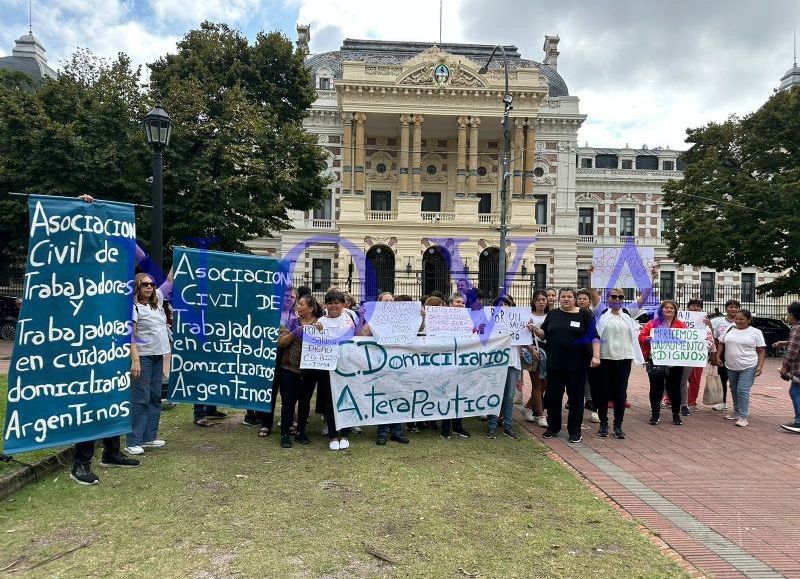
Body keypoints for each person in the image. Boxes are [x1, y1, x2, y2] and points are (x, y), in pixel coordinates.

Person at [531, 288, 599, 443]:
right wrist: (535, 329)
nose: (566, 299)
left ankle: (574, 431)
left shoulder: (584, 315)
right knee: (553, 397)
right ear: (559, 299)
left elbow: (594, 337)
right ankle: (553, 428)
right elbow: (544, 334)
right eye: (563, 297)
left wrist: (596, 356)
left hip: (576, 365)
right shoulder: (553, 314)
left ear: (574, 299)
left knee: (575, 399)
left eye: (569, 296)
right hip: (555, 364)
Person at [126, 271, 173, 455]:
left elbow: (170, 280)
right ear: (138, 286)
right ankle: (133, 440)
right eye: (145, 284)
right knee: (140, 398)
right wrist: (135, 360)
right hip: (143, 358)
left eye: (152, 284)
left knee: (154, 397)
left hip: (157, 356)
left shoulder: (157, 303)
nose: (149, 287)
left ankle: (149, 437)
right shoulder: (134, 307)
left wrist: (179, 256)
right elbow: (130, 336)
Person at [592, 288, 645, 439]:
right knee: (603, 393)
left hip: (623, 359)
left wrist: (652, 279)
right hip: (605, 358)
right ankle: (603, 423)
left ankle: (618, 425)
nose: (617, 299)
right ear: (608, 298)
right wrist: (591, 276)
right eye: (613, 296)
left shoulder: (627, 313)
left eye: (620, 297)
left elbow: (644, 297)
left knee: (620, 395)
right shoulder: (601, 311)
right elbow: (593, 293)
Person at [361, 292, 411, 445]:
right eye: (386, 301)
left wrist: (420, 316)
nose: (389, 303)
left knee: (398, 396)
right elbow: (363, 334)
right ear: (379, 303)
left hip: (398, 362)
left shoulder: (402, 317)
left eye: (391, 300)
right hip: (381, 362)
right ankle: (382, 432)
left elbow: (417, 329)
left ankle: (397, 431)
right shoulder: (376, 317)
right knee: (383, 397)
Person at [275, 294, 321, 447]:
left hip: (310, 370)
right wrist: (294, 333)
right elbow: (281, 343)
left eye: (302, 304)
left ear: (311, 308)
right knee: (288, 400)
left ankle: (301, 431)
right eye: (298, 304)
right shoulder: (292, 322)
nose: (298, 306)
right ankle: (285, 434)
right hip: (290, 367)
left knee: (305, 401)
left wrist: (320, 331)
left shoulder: (320, 323)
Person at [316, 289, 356, 450]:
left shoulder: (351, 318)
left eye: (336, 303)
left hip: (347, 366)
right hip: (328, 368)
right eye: (330, 303)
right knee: (330, 402)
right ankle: (333, 436)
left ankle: (345, 434)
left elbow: (359, 336)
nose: (333, 306)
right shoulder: (321, 322)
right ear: (326, 304)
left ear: (343, 304)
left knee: (346, 398)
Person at [639, 300, 687, 426]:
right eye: (666, 307)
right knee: (656, 388)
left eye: (672, 308)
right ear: (661, 310)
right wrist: (647, 339)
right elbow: (641, 337)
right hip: (656, 360)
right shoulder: (652, 323)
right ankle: (655, 414)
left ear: (675, 311)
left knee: (674, 388)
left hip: (675, 362)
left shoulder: (681, 325)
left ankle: (676, 414)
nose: (669, 310)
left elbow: (688, 340)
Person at [716, 309, 766, 427]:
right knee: (733, 388)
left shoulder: (755, 332)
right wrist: (718, 356)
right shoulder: (730, 329)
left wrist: (760, 366)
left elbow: (761, 350)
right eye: (736, 319)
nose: (738, 321)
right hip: (731, 365)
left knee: (742, 390)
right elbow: (721, 342)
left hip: (748, 365)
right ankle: (736, 411)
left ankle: (743, 416)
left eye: (741, 319)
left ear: (749, 320)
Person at [487, 295, 524, 439]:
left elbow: (523, 341)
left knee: (509, 396)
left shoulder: (518, 321)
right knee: (494, 395)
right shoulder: (490, 323)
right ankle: (492, 426)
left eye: (506, 304)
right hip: (495, 363)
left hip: (513, 362)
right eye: (499, 305)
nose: (503, 307)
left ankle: (508, 426)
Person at [677, 299, 717, 415]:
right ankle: (669, 399)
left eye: (698, 306)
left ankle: (691, 401)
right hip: (680, 354)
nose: (696, 308)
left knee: (695, 379)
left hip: (697, 355)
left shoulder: (705, 322)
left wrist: (709, 326)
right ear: (688, 307)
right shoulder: (680, 319)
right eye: (693, 306)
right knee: (677, 378)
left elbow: (710, 338)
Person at [440, 293, 471, 439]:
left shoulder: (468, 319)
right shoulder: (440, 319)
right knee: (447, 393)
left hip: (462, 361)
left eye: (462, 303)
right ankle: (446, 427)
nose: (460, 305)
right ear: (450, 304)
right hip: (445, 361)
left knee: (460, 394)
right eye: (457, 302)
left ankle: (458, 426)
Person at [710, 299, 741, 411]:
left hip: (737, 353)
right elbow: (716, 339)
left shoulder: (741, 321)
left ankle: (738, 405)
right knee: (722, 377)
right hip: (722, 353)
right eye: (731, 307)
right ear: (726, 308)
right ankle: (722, 402)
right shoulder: (720, 322)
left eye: (736, 307)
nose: (733, 309)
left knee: (736, 380)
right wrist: (714, 354)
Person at [524, 290, 549, 428]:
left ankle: (528, 407)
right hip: (533, 352)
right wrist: (530, 348)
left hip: (548, 353)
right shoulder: (528, 316)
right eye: (538, 299)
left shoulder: (551, 316)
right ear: (534, 301)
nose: (541, 302)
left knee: (545, 385)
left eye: (543, 299)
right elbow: (522, 335)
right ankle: (540, 414)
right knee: (536, 384)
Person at [778, 301, 800, 433]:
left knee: (795, 391)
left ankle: (799, 422)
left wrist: (785, 366)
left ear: (792, 314)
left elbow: (792, 350)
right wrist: (785, 342)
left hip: (798, 367)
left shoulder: (797, 328)